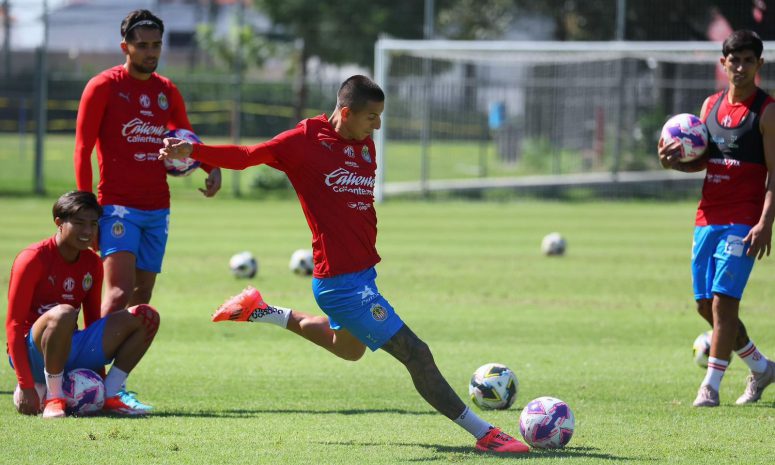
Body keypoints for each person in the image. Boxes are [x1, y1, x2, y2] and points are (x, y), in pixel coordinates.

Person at [159, 75, 529, 453]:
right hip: (342, 285)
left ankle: (261, 310)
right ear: (347, 112)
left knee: (347, 349)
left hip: (362, 275)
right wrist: (193, 152)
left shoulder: (364, 144)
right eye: (372, 117)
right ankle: (484, 434)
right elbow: (247, 155)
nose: (378, 125)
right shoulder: (302, 142)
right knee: (416, 353)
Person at [73, 10, 219, 409]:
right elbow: (83, 149)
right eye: (143, 45)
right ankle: (89, 379)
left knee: (142, 296)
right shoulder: (103, 86)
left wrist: (209, 165)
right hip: (117, 208)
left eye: (156, 45)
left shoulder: (166, 90)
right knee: (117, 293)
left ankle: (113, 390)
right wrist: (87, 207)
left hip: (158, 208)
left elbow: (186, 134)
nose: (151, 51)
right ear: (126, 47)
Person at [659, 30, 775, 407]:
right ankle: (761, 367)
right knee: (703, 304)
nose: (739, 67)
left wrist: (765, 222)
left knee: (725, 303)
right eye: (733, 60)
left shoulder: (767, 112)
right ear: (723, 63)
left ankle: (710, 386)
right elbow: (705, 164)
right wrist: (673, 163)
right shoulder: (709, 107)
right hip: (708, 217)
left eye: (747, 60)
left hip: (744, 219)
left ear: (759, 64)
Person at [6, 191, 160, 418]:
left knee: (146, 316)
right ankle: (54, 397)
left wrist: (96, 378)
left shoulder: (92, 263)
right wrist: (26, 384)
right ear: (59, 222)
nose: (88, 231)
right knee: (64, 313)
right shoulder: (32, 259)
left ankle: (109, 393)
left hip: (70, 344)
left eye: (93, 224)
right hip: (33, 352)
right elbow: (14, 325)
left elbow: (93, 322)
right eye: (79, 223)